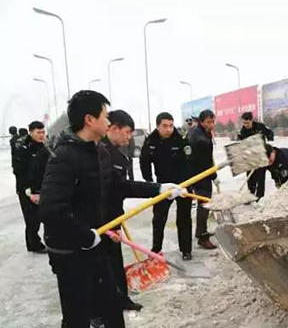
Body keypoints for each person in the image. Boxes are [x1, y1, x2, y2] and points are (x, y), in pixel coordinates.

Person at [40, 90, 125, 327]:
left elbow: (118, 186)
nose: (108, 121)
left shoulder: (100, 151)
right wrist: (84, 235)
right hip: (69, 251)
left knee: (112, 306)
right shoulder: (64, 156)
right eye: (105, 116)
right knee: (77, 315)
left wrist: (160, 189)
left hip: (95, 243)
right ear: (90, 119)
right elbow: (50, 209)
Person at [100, 110, 182, 316]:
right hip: (98, 221)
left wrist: (159, 188)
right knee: (100, 268)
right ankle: (97, 311)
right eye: (127, 132)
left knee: (115, 262)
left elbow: (121, 187)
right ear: (113, 128)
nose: (130, 137)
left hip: (112, 218)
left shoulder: (118, 153)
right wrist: (157, 188)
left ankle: (122, 299)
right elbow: (112, 190)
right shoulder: (98, 153)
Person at [140, 112, 194, 259]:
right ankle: (156, 250)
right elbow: (144, 162)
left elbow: (189, 163)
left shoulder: (180, 139)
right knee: (158, 219)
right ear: (158, 126)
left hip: (182, 184)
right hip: (162, 186)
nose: (168, 129)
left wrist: (188, 186)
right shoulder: (151, 141)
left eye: (170, 125)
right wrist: (150, 183)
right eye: (164, 126)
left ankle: (186, 250)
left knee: (184, 218)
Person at [13, 121, 47, 253]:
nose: (41, 135)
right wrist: (28, 190)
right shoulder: (23, 149)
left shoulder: (44, 146)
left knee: (45, 215)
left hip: (42, 187)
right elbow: (19, 171)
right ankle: (34, 244)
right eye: (38, 132)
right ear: (31, 132)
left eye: (43, 132)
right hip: (26, 190)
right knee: (32, 218)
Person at [187, 110, 218, 249]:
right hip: (200, 176)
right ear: (201, 122)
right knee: (204, 205)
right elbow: (203, 161)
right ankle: (202, 237)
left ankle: (200, 232)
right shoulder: (199, 138)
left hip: (200, 174)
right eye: (208, 122)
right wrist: (214, 176)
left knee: (203, 205)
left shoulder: (201, 132)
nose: (211, 125)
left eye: (212, 122)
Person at [237, 112, 274, 201]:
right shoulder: (242, 132)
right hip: (250, 158)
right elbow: (242, 147)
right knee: (250, 178)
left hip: (262, 156)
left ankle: (259, 197)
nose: (245, 125)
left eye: (247, 123)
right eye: (244, 123)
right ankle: (250, 196)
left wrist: (270, 138)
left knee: (260, 178)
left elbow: (270, 134)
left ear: (251, 120)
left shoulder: (260, 127)